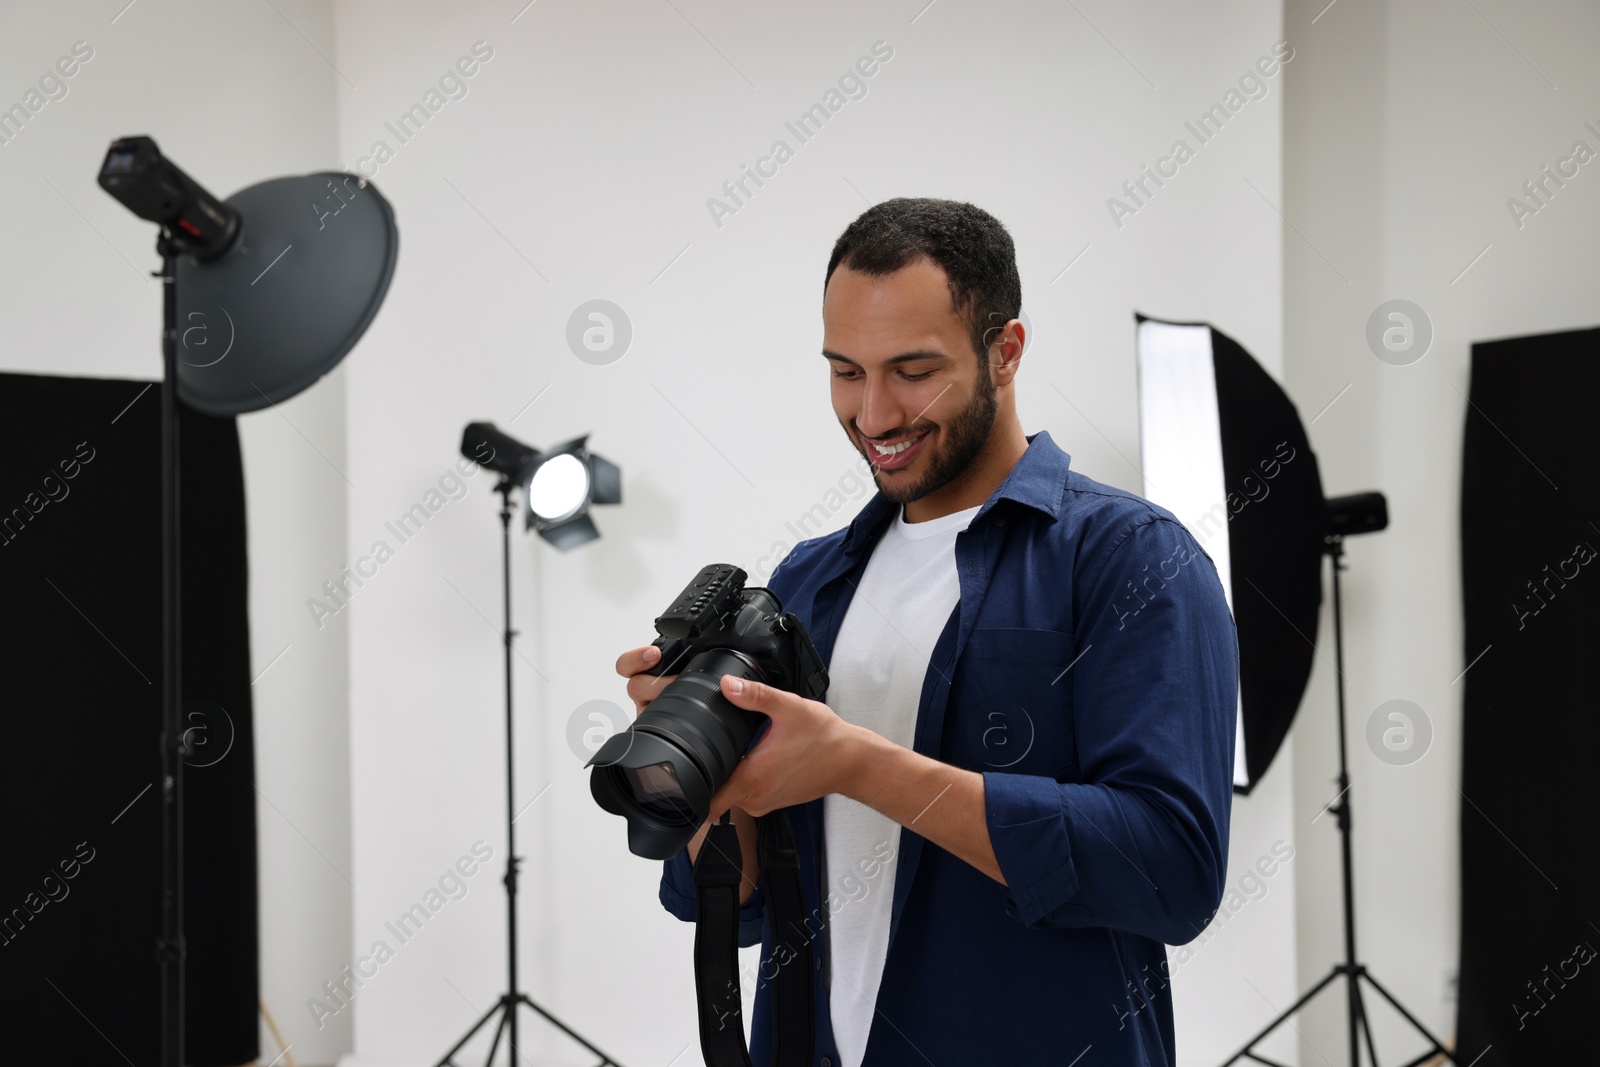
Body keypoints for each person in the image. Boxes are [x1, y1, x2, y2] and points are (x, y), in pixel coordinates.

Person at [616, 198, 1238, 1066]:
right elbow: (742, 902)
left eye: (913, 370)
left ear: (1005, 351)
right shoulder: (809, 579)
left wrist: (858, 763)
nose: (873, 415)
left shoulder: (1132, 559)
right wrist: (704, 768)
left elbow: (1173, 870)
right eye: (845, 371)